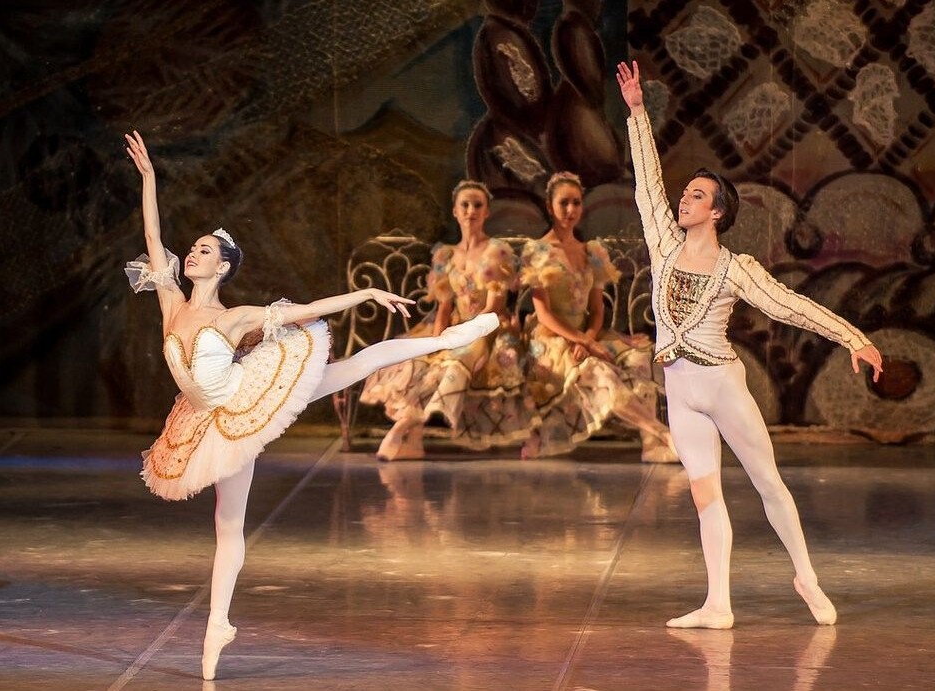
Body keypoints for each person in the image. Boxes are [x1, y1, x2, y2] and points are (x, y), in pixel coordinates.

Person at [122, 132, 498, 679]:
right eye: (194, 249)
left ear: (222, 267)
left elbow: (309, 309)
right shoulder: (171, 302)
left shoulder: (235, 317)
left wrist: (365, 295)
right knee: (227, 524)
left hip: (249, 398)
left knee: (355, 367)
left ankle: (446, 339)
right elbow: (153, 235)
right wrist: (150, 178)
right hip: (206, 420)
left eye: (205, 250)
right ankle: (218, 625)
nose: (194, 253)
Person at [616, 62, 884, 629]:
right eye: (685, 194)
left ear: (716, 212)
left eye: (696, 196)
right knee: (704, 495)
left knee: (767, 482)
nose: (683, 201)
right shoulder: (663, 244)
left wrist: (853, 337)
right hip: (680, 391)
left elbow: (791, 305)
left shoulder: (736, 268)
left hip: (721, 385)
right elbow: (646, 185)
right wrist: (637, 113)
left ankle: (806, 577)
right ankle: (718, 603)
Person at [361, 180, 535, 460]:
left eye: (477, 205)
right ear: (455, 211)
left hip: (488, 328)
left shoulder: (496, 251)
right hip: (456, 325)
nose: (471, 211)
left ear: (487, 212)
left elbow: (493, 307)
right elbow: (444, 307)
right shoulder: (447, 255)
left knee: (456, 360)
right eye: (465, 205)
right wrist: (436, 341)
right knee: (419, 360)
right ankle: (414, 440)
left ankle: (406, 425)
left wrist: (465, 334)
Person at [519, 172, 677, 462]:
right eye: (563, 203)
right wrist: (581, 341)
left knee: (638, 358)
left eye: (576, 203)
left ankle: (651, 446)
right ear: (550, 206)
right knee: (598, 371)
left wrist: (589, 338)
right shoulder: (538, 251)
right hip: (551, 338)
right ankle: (664, 434)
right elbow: (543, 313)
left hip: (586, 335)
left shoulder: (591, 252)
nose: (570, 210)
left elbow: (597, 310)